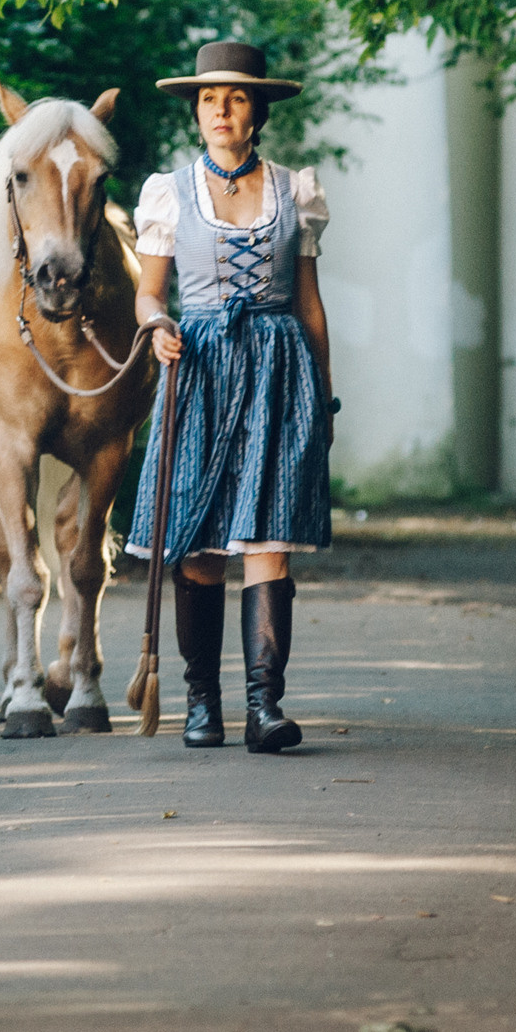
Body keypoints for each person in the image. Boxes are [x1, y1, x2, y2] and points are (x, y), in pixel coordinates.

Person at [125, 41, 335, 754]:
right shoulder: (169, 192)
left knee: (269, 538)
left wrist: (323, 399)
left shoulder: (295, 192)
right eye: (210, 99)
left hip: (279, 371)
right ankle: (201, 702)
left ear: (258, 112)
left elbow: (309, 303)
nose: (221, 110)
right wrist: (158, 326)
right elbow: (149, 294)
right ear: (196, 112)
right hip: (201, 369)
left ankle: (264, 705)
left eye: (237, 97)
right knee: (198, 541)